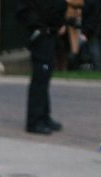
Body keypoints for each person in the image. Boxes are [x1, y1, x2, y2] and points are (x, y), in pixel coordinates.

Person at [17, 1, 67, 134]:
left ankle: (44, 116)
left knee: (45, 77)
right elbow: (27, 11)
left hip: (50, 33)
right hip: (42, 34)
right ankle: (34, 121)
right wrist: (39, 27)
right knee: (40, 78)